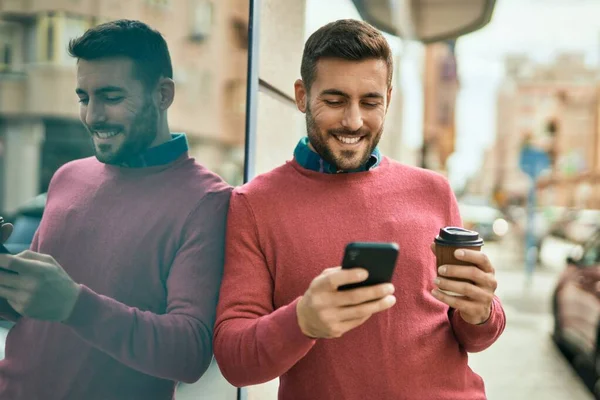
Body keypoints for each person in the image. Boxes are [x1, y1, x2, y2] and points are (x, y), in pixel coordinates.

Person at [213, 19, 505, 400]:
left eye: (370, 102)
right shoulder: (253, 205)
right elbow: (234, 359)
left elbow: (475, 335)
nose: (353, 121)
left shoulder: (434, 190)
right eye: (334, 101)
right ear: (302, 96)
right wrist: (303, 321)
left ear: (388, 97)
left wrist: (482, 310)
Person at [0, 20, 231, 399]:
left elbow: (190, 353)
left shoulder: (207, 201)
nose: (93, 116)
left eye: (110, 97)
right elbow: (35, 312)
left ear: (163, 94)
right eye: (83, 98)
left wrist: (76, 304)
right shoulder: (67, 176)